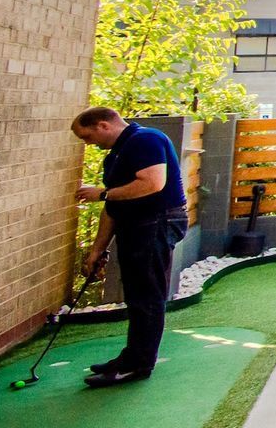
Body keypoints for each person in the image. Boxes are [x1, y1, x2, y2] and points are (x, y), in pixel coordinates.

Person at [72, 107, 190, 387]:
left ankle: (138, 365)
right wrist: (97, 249)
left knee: (147, 295)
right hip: (137, 224)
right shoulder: (116, 155)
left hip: (157, 221)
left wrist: (101, 193)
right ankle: (131, 357)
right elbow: (113, 207)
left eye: (88, 137)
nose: (89, 144)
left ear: (103, 125)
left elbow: (153, 183)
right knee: (137, 294)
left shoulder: (146, 139)